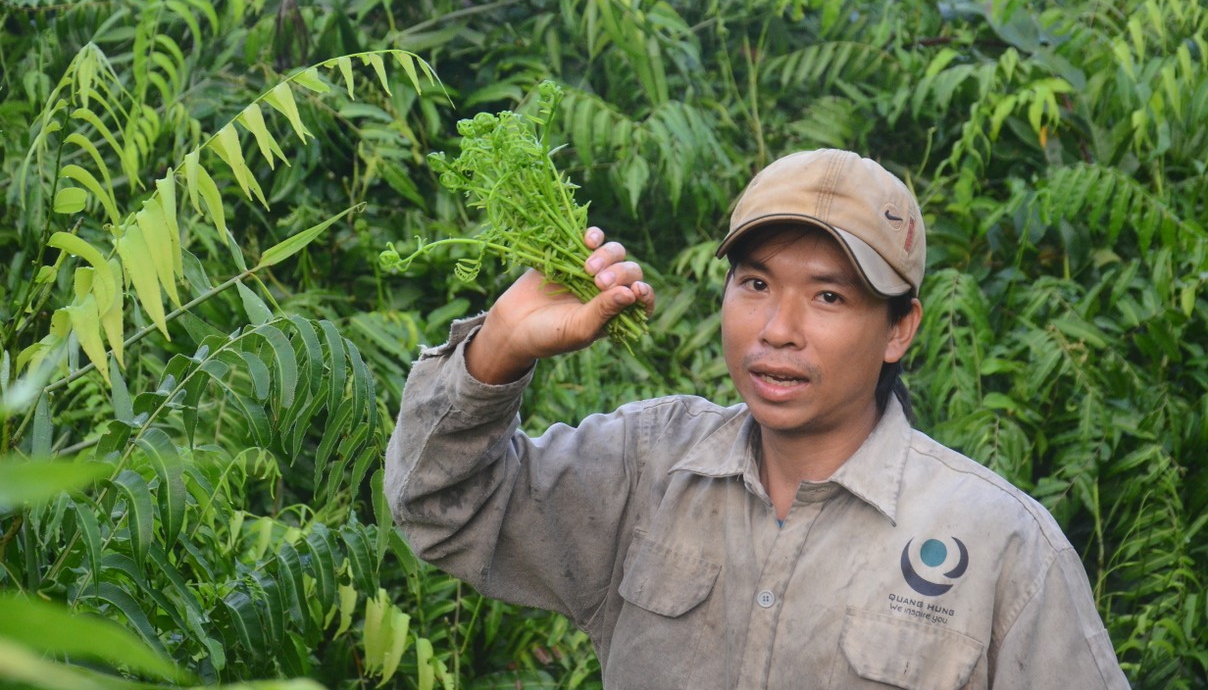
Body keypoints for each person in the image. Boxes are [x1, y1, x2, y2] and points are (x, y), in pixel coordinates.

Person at [385, 148, 1130, 689]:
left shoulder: (998, 544)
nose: (778, 328)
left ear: (900, 329)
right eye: (755, 283)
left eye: (829, 297)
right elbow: (443, 508)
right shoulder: (648, 469)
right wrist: (497, 353)